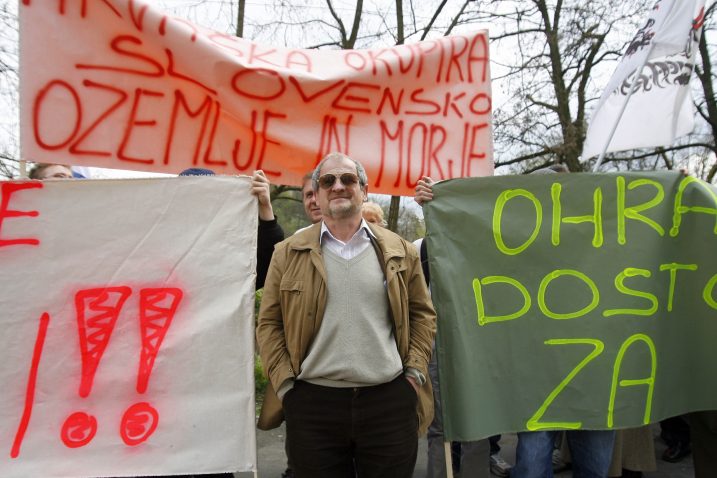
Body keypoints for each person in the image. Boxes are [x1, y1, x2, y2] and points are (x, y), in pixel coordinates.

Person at [257, 152, 436, 478]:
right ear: (319, 192)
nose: (338, 186)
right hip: (312, 405)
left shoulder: (401, 250)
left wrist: (413, 374)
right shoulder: (287, 253)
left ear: (364, 190)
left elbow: (422, 315)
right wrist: (286, 386)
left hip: (389, 402)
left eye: (348, 179)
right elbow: (269, 322)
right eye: (328, 181)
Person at [414, 178, 505, 478]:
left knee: (477, 426)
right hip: (438, 349)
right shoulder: (423, 247)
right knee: (440, 429)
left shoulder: (493, 249)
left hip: (482, 349)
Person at [179, 168, 283, 290]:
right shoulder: (162, 241)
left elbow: (265, 267)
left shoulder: (229, 246)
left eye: (206, 194)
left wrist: (265, 207)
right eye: (191, 196)